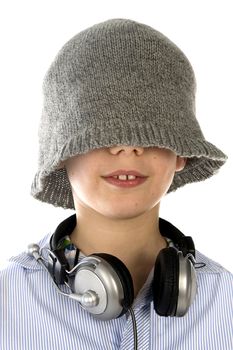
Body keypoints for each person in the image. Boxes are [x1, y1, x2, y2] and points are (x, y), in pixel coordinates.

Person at [0, 18, 232, 350]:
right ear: (62, 153)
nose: (127, 148)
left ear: (180, 153)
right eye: (103, 132)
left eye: (149, 133)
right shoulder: (7, 302)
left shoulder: (225, 301)